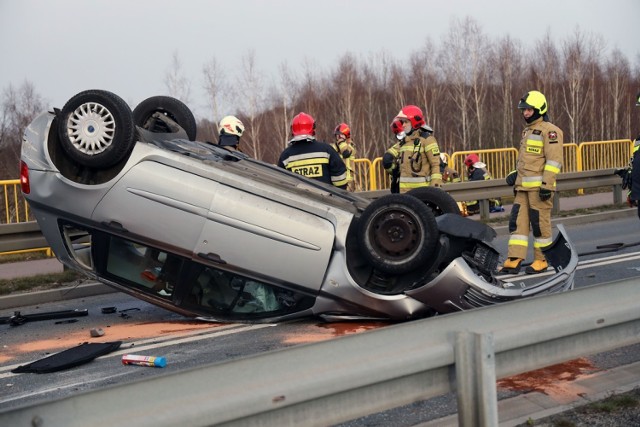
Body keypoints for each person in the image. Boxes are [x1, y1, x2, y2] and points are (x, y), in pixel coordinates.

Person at [502, 90, 563, 274]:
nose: (525, 113)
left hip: (539, 189)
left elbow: (554, 161)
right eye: (524, 110)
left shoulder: (551, 131)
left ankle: (541, 260)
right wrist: (515, 173)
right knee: (517, 224)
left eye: (529, 110)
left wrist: (546, 185)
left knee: (540, 225)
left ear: (539, 109)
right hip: (522, 189)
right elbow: (526, 159)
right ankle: (515, 258)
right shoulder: (527, 131)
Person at [277, 112, 348, 189]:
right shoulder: (326, 150)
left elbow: (282, 184)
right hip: (325, 199)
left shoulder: (285, 156)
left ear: (292, 131)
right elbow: (340, 180)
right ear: (313, 129)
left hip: (297, 199)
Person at [386, 105, 443, 193]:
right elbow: (388, 160)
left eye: (406, 122)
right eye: (402, 122)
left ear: (414, 122)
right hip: (404, 194)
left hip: (422, 194)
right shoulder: (404, 142)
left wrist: (434, 191)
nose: (403, 125)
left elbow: (436, 166)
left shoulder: (427, 140)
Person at [382, 119, 407, 193]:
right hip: (407, 186)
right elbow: (387, 161)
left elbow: (386, 161)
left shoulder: (401, 145)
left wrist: (396, 172)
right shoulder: (425, 141)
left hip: (402, 186)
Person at [333, 123, 358, 191]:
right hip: (340, 181)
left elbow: (346, 153)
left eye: (339, 135)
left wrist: (340, 142)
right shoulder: (339, 146)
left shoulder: (350, 146)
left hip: (348, 183)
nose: (337, 137)